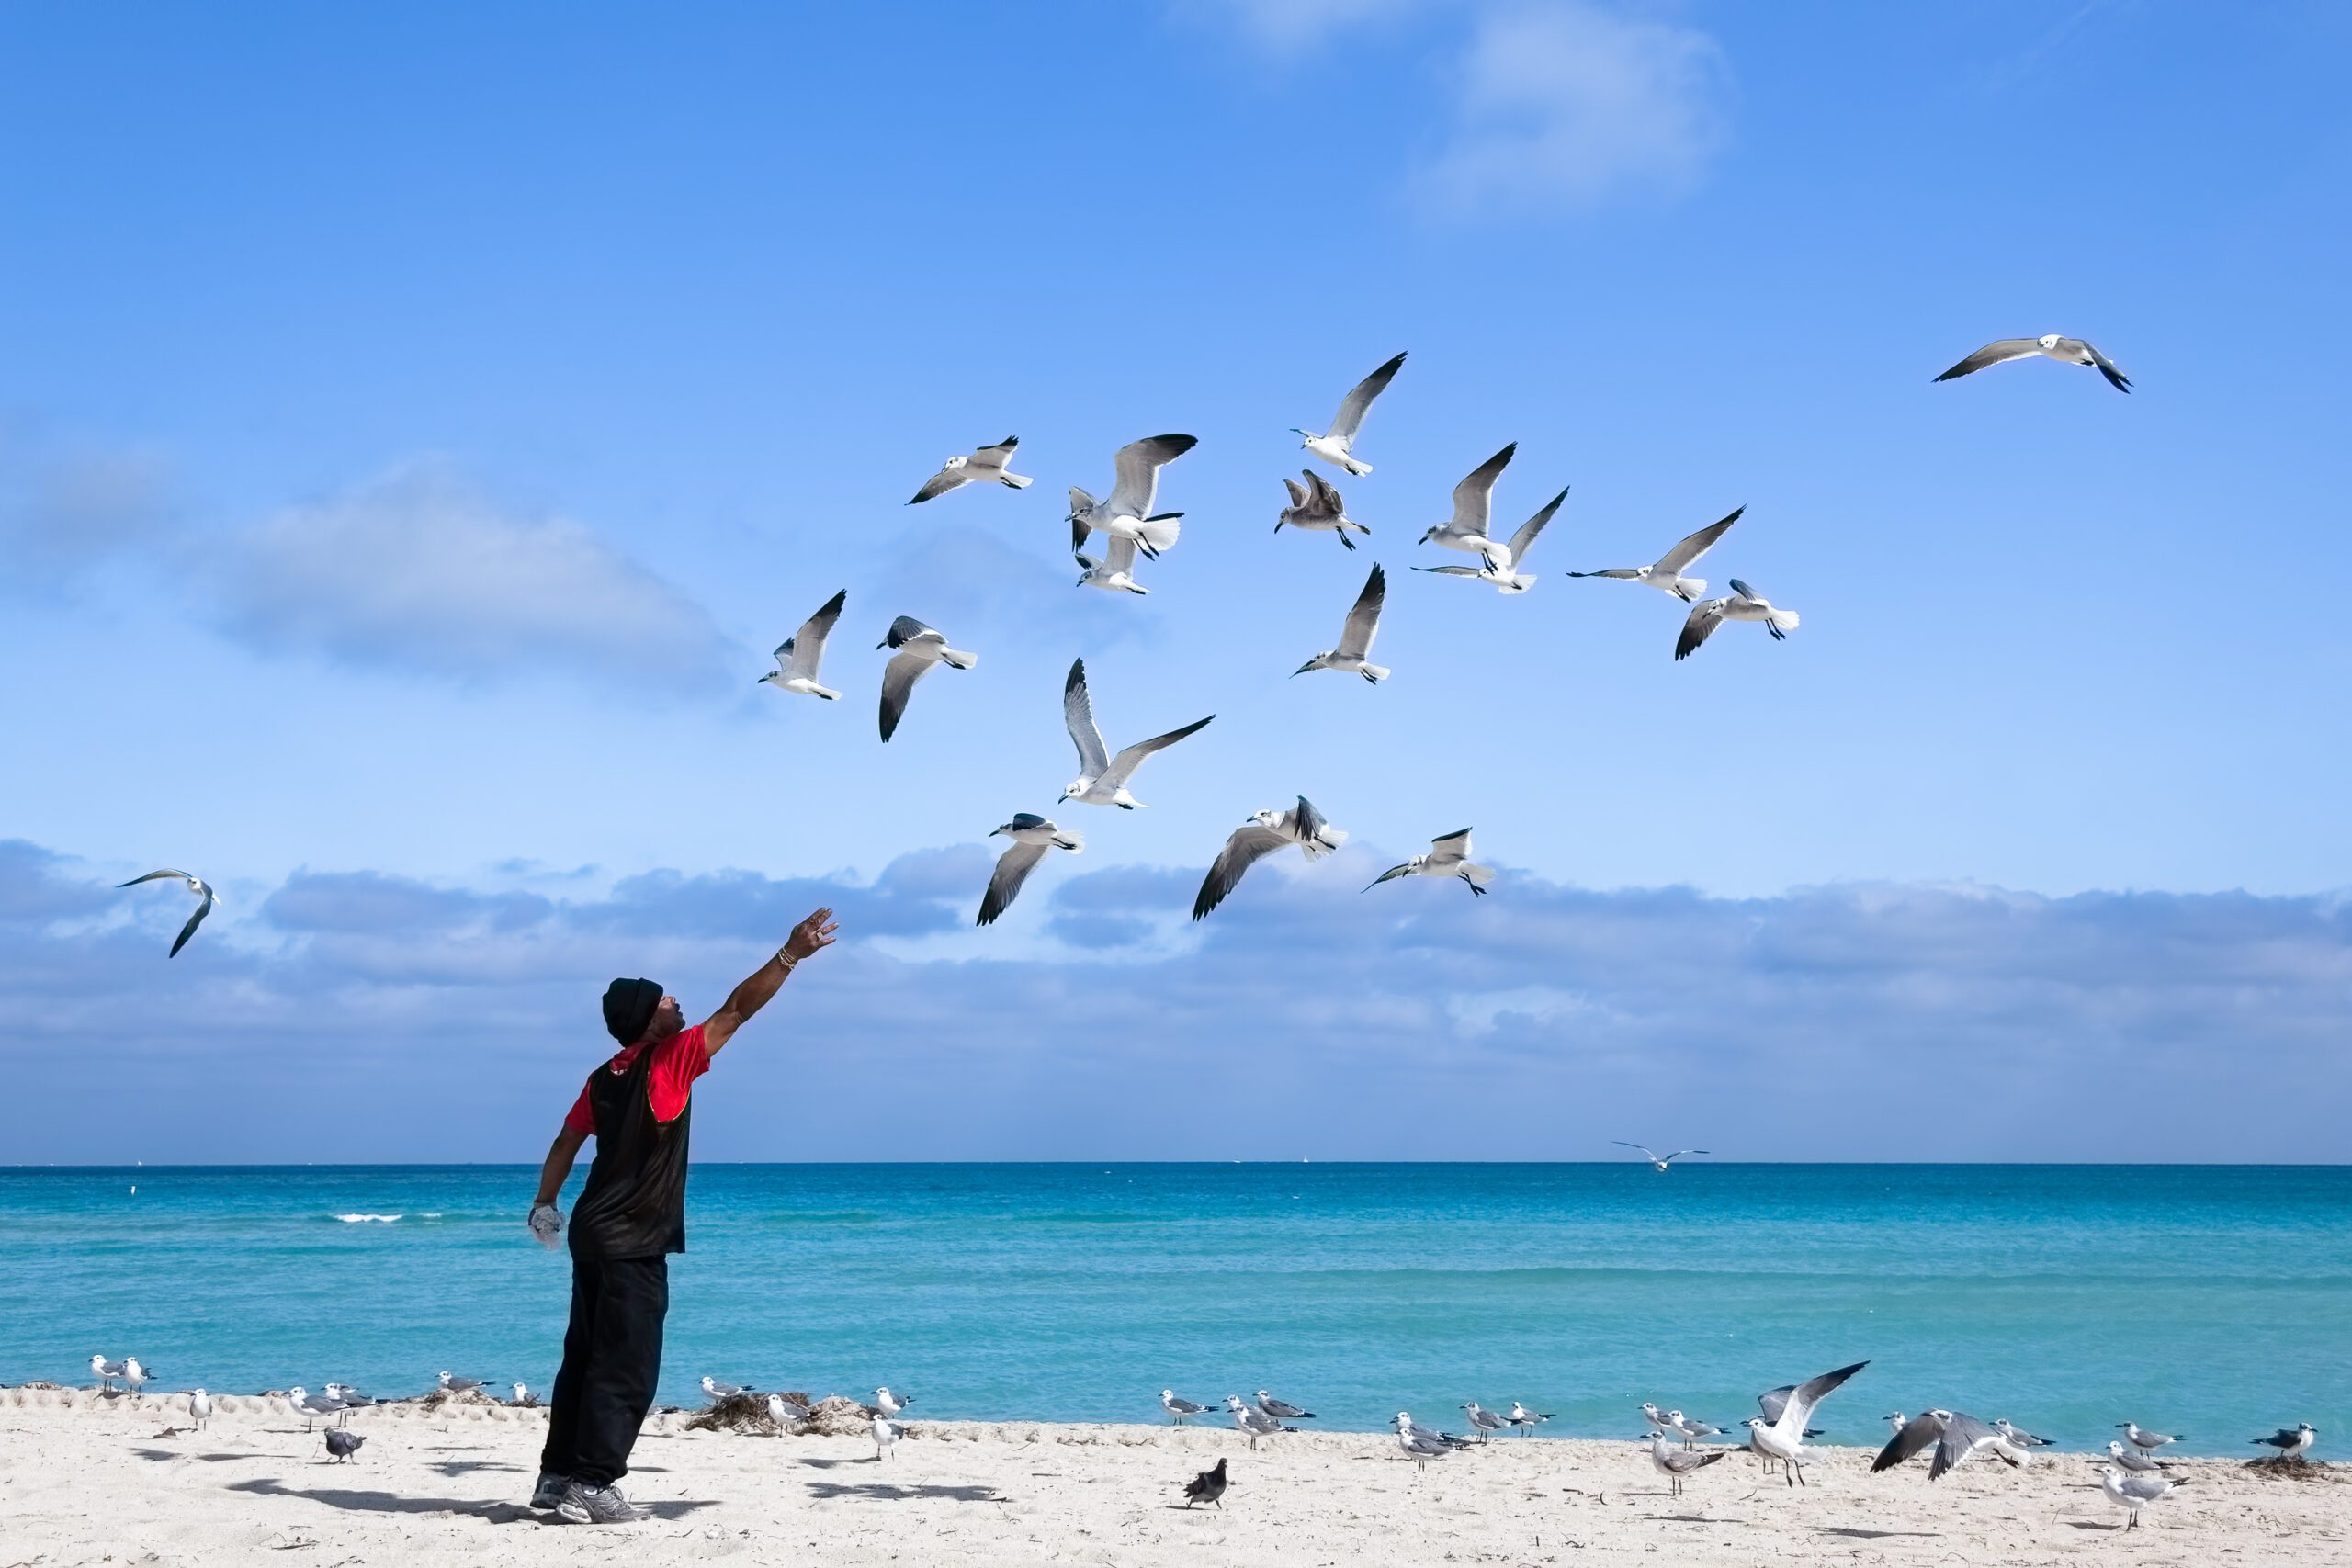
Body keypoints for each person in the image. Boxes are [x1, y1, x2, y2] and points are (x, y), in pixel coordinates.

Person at [524, 907, 839, 1524]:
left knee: (584, 1358)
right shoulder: (666, 1061)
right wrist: (790, 954)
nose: (677, 1004)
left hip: (591, 1232)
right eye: (667, 1002)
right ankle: (593, 1482)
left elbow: (565, 1143)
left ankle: (557, 1474)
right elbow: (737, 1009)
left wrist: (544, 1203)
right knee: (627, 1365)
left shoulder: (601, 1078)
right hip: (631, 1240)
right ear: (648, 1021)